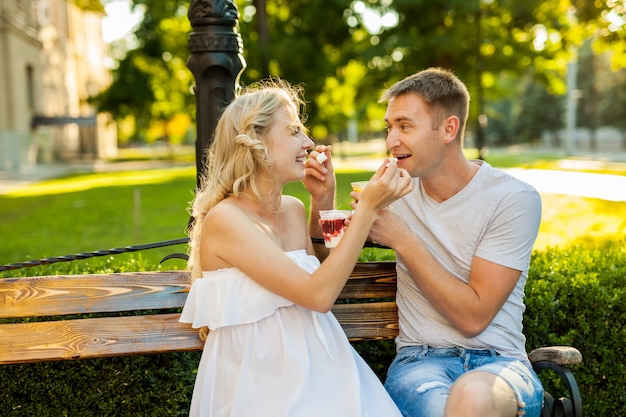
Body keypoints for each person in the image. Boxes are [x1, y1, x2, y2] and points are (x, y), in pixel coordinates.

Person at [179, 78, 411, 417]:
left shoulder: (291, 208)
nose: (309, 142)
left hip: (321, 363)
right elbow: (317, 296)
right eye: (294, 131)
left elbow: (315, 270)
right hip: (261, 379)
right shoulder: (226, 219)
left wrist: (322, 201)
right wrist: (368, 211)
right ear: (256, 142)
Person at [355, 68, 545, 417]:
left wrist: (401, 238)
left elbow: (473, 318)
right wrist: (321, 199)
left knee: (471, 397)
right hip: (419, 363)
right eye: (389, 127)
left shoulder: (512, 199)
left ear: (448, 129)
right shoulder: (391, 191)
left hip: (500, 364)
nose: (391, 140)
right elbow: (325, 255)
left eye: (404, 126)